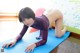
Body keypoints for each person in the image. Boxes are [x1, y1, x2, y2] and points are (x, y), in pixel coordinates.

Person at [2, 7, 66, 53]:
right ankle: (49, 26)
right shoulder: (27, 22)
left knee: (58, 35)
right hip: (49, 13)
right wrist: (14, 40)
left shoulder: (43, 22)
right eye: (25, 23)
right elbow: (21, 34)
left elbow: (44, 40)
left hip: (58, 14)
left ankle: (65, 29)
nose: (27, 25)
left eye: (29, 23)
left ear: (33, 17)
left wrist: (34, 44)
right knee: (45, 27)